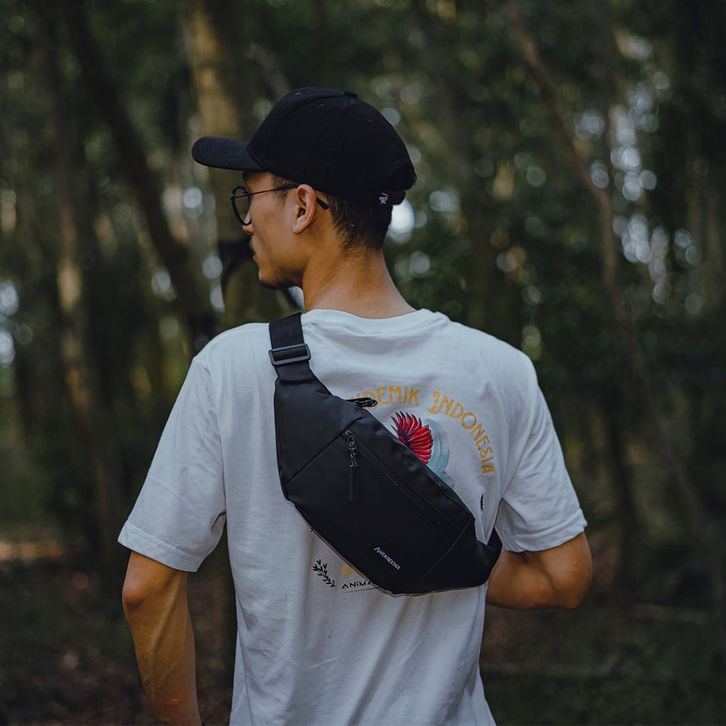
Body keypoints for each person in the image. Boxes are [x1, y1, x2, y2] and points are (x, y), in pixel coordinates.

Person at [119, 87, 592, 725]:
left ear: (303, 206)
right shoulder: (501, 371)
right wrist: (432, 555)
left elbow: (147, 589)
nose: (246, 222)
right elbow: (564, 577)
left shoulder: (231, 370)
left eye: (251, 197)